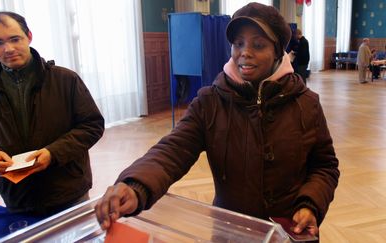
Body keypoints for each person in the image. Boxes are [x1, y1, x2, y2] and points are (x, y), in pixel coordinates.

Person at [95, 2, 339, 238]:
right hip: (231, 232)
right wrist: (135, 184)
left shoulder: (306, 103)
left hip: (289, 232)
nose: (245, 52)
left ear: (278, 52)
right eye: (238, 43)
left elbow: (325, 166)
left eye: (258, 45)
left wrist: (310, 205)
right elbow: (174, 150)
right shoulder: (210, 101)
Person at [0, 11, 105, 216]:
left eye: (15, 39)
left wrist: (53, 153)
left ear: (29, 36)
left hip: (68, 190)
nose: (8, 49)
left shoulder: (65, 80)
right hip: (18, 196)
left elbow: (92, 125)